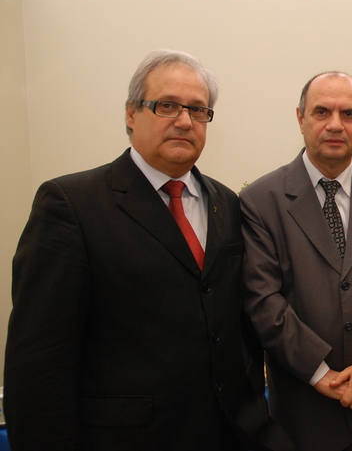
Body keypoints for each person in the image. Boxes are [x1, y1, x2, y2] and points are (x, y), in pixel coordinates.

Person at [3, 50, 290, 451]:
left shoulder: (226, 203)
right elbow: (39, 364)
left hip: (229, 432)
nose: (184, 120)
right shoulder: (72, 205)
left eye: (198, 109)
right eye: (166, 105)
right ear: (131, 114)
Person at [240, 72, 352, 451]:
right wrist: (322, 375)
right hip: (303, 413)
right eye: (321, 111)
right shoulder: (260, 201)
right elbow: (263, 301)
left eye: (348, 113)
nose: (335, 124)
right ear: (300, 118)